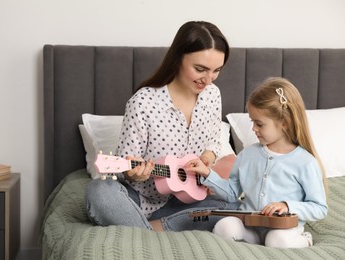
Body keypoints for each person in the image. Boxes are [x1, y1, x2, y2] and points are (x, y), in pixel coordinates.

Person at [85, 21, 239, 232]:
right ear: (178, 59)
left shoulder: (213, 95)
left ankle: (149, 230)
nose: (208, 80)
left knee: (236, 206)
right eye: (200, 69)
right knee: (100, 192)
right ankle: (157, 229)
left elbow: (213, 143)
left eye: (216, 71)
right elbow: (125, 168)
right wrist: (134, 173)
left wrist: (206, 160)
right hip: (140, 201)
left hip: (189, 200)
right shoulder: (143, 102)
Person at [185, 77, 328, 248]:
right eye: (252, 122)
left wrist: (287, 205)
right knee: (225, 227)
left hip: (282, 231)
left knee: (276, 240)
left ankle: (305, 239)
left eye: (259, 123)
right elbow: (232, 193)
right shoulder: (247, 155)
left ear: (284, 122)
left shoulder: (305, 162)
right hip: (250, 227)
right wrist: (208, 174)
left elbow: (319, 208)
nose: (253, 129)